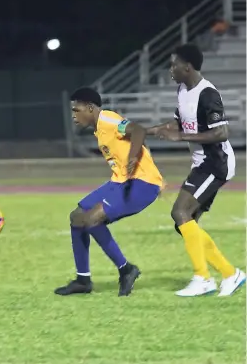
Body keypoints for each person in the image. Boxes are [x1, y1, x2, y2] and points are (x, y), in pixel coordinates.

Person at [147, 43, 246, 297]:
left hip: (215, 163)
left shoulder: (208, 94)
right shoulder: (183, 90)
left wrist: (180, 136)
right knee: (186, 223)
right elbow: (179, 122)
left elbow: (221, 132)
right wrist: (149, 131)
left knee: (180, 212)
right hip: (202, 163)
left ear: (187, 67)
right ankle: (229, 274)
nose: (171, 69)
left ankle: (203, 278)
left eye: (174, 64)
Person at [54, 87, 163, 297]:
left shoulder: (108, 120)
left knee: (92, 220)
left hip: (141, 184)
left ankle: (126, 269)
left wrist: (133, 158)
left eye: (77, 110)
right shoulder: (99, 129)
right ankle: (83, 280)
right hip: (120, 181)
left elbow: (138, 130)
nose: (74, 116)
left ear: (90, 108)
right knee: (77, 217)